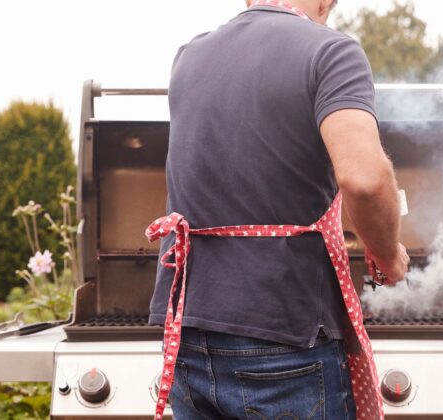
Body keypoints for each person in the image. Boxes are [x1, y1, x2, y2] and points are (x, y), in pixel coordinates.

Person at [146, 0, 409, 418]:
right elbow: (366, 180)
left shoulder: (189, 56)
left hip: (187, 329)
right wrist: (388, 253)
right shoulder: (330, 51)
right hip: (282, 336)